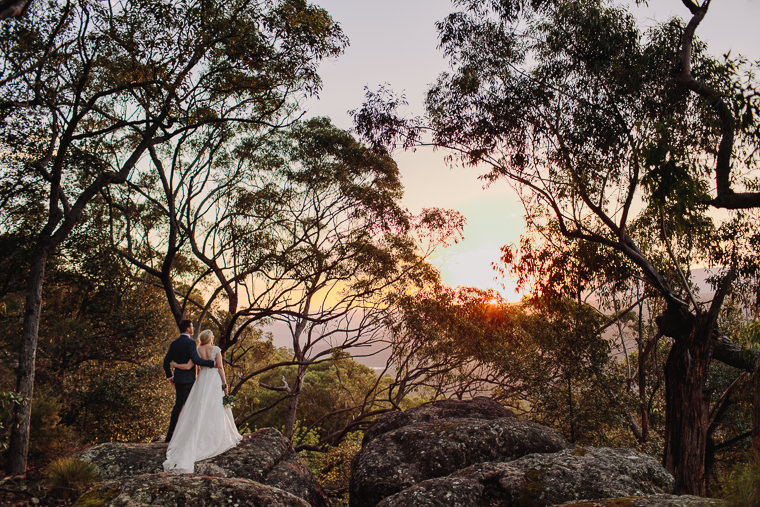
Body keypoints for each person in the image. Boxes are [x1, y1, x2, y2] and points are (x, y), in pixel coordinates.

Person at [163, 329, 242, 474]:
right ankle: (213, 434)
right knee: (214, 408)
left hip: (201, 381)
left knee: (198, 408)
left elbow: (188, 367)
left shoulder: (197, 349)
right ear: (211, 338)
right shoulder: (216, 349)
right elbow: (220, 368)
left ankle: (193, 434)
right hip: (213, 380)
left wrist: (174, 366)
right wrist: (225, 385)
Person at [162, 319, 216, 442]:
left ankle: (170, 435)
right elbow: (196, 360)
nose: (192, 328)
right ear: (187, 328)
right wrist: (212, 363)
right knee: (190, 406)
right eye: (191, 326)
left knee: (178, 406)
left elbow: (166, 362)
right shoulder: (191, 343)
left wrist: (170, 377)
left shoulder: (174, 343)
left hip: (178, 379)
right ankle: (188, 436)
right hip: (188, 380)